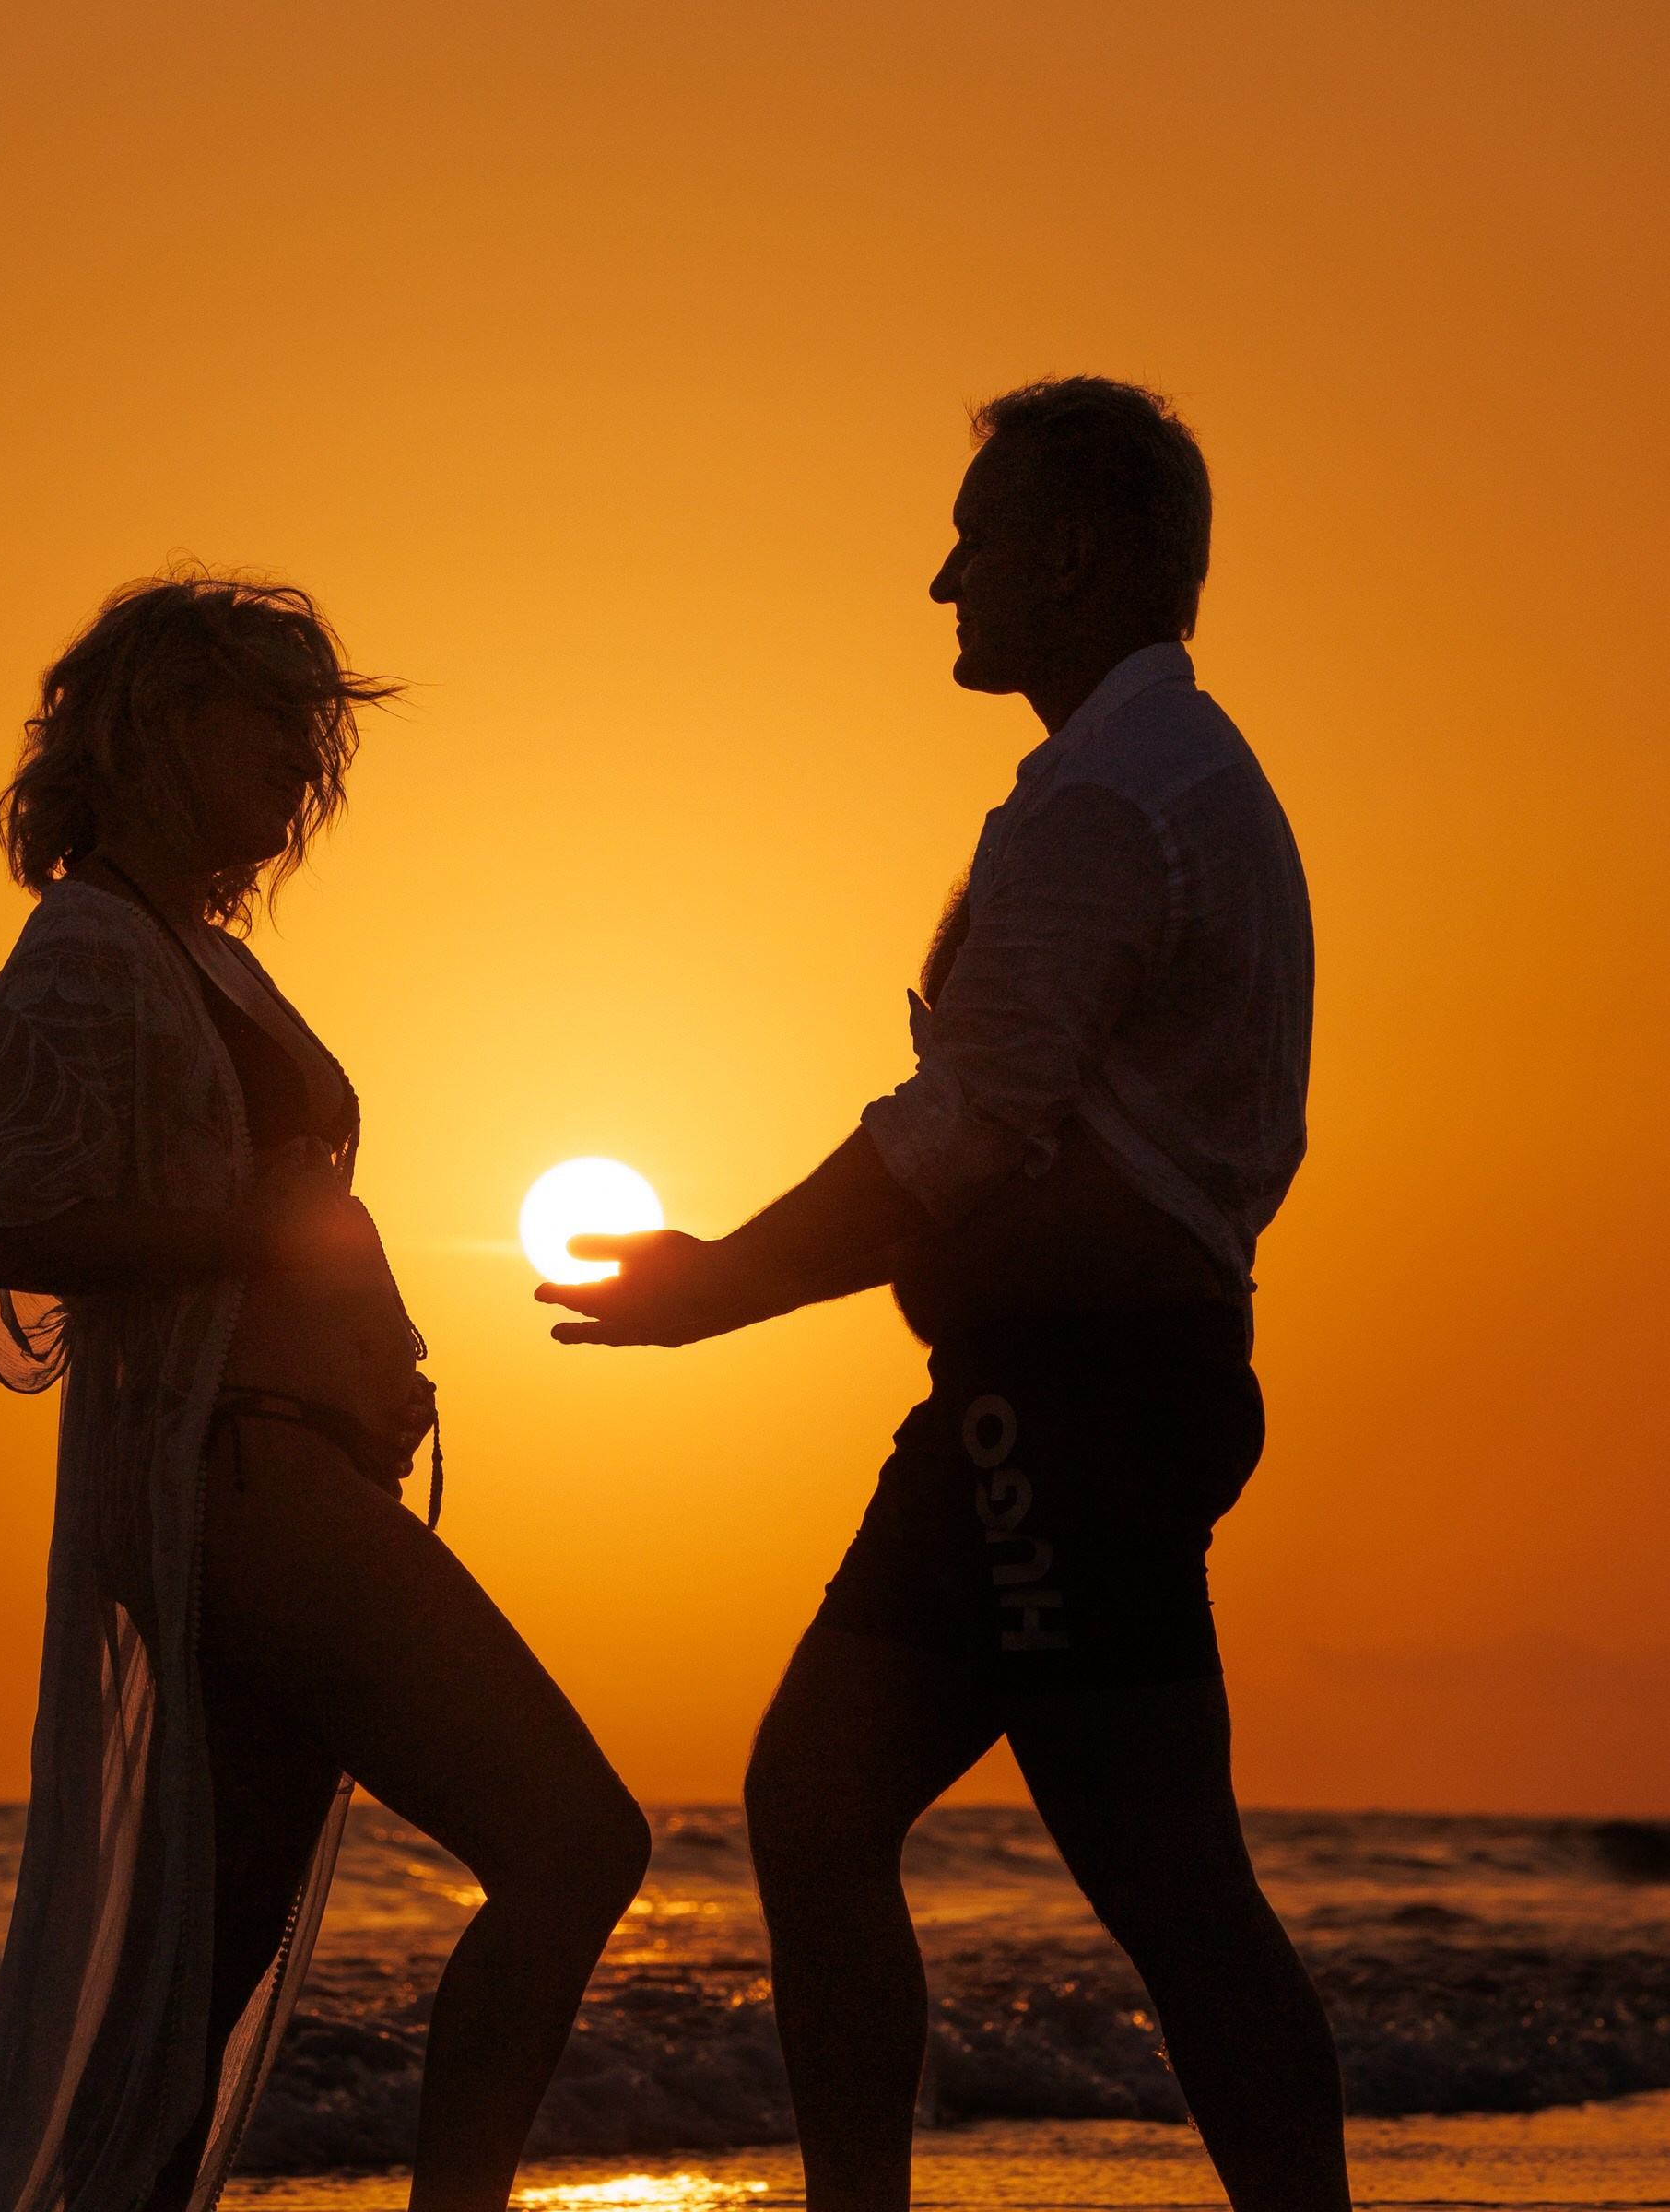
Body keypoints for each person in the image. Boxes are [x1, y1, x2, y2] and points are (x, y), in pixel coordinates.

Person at [538, 380, 1348, 2210]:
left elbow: (970, 1133)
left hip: (1076, 1416)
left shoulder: (1113, 805)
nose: (941, 579)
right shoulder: (1167, 784)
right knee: (819, 1803)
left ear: (1070, 555)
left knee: (1167, 1881)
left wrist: (719, 1284)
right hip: (1046, 1404)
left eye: (975, 539)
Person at [0, 573, 649, 2212]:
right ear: (152, 725)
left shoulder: (199, 948)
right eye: (270, 715)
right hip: (242, 1486)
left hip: (297, 1471)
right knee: (576, 1841)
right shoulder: (89, 951)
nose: (302, 757)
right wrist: (245, 1239)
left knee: (195, 1986)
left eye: (313, 726)